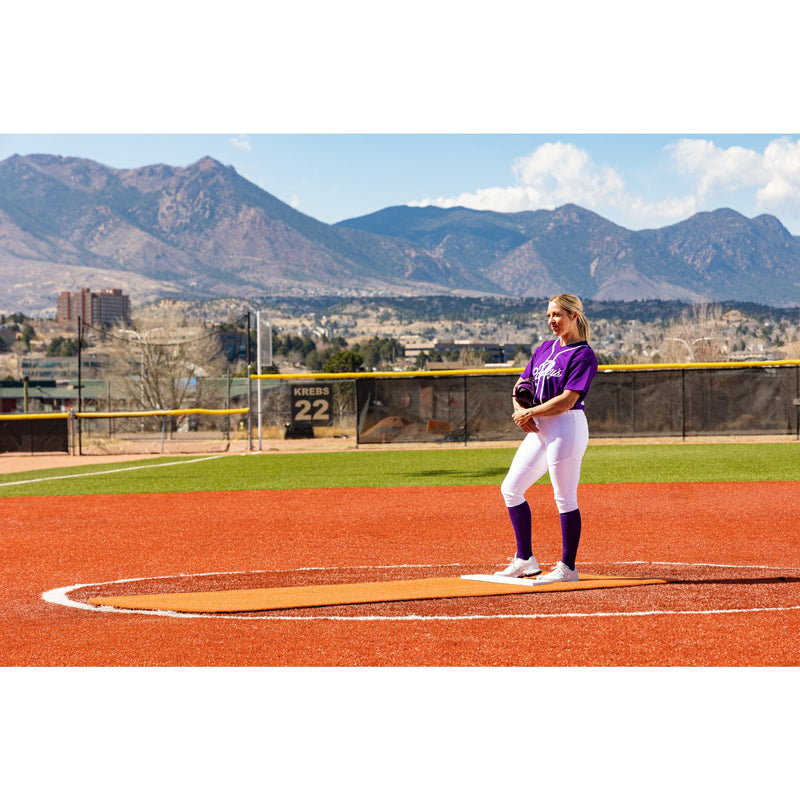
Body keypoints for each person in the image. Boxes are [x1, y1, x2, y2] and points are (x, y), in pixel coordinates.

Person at [495, 293, 599, 584]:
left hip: (566, 426)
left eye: (558, 315)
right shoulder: (544, 349)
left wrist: (530, 413)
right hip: (540, 428)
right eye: (549, 315)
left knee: (564, 497)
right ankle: (525, 559)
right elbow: (521, 384)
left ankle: (567, 567)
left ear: (574, 317)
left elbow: (567, 400)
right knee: (511, 489)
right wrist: (521, 410)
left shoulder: (583, 354)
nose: (552, 321)